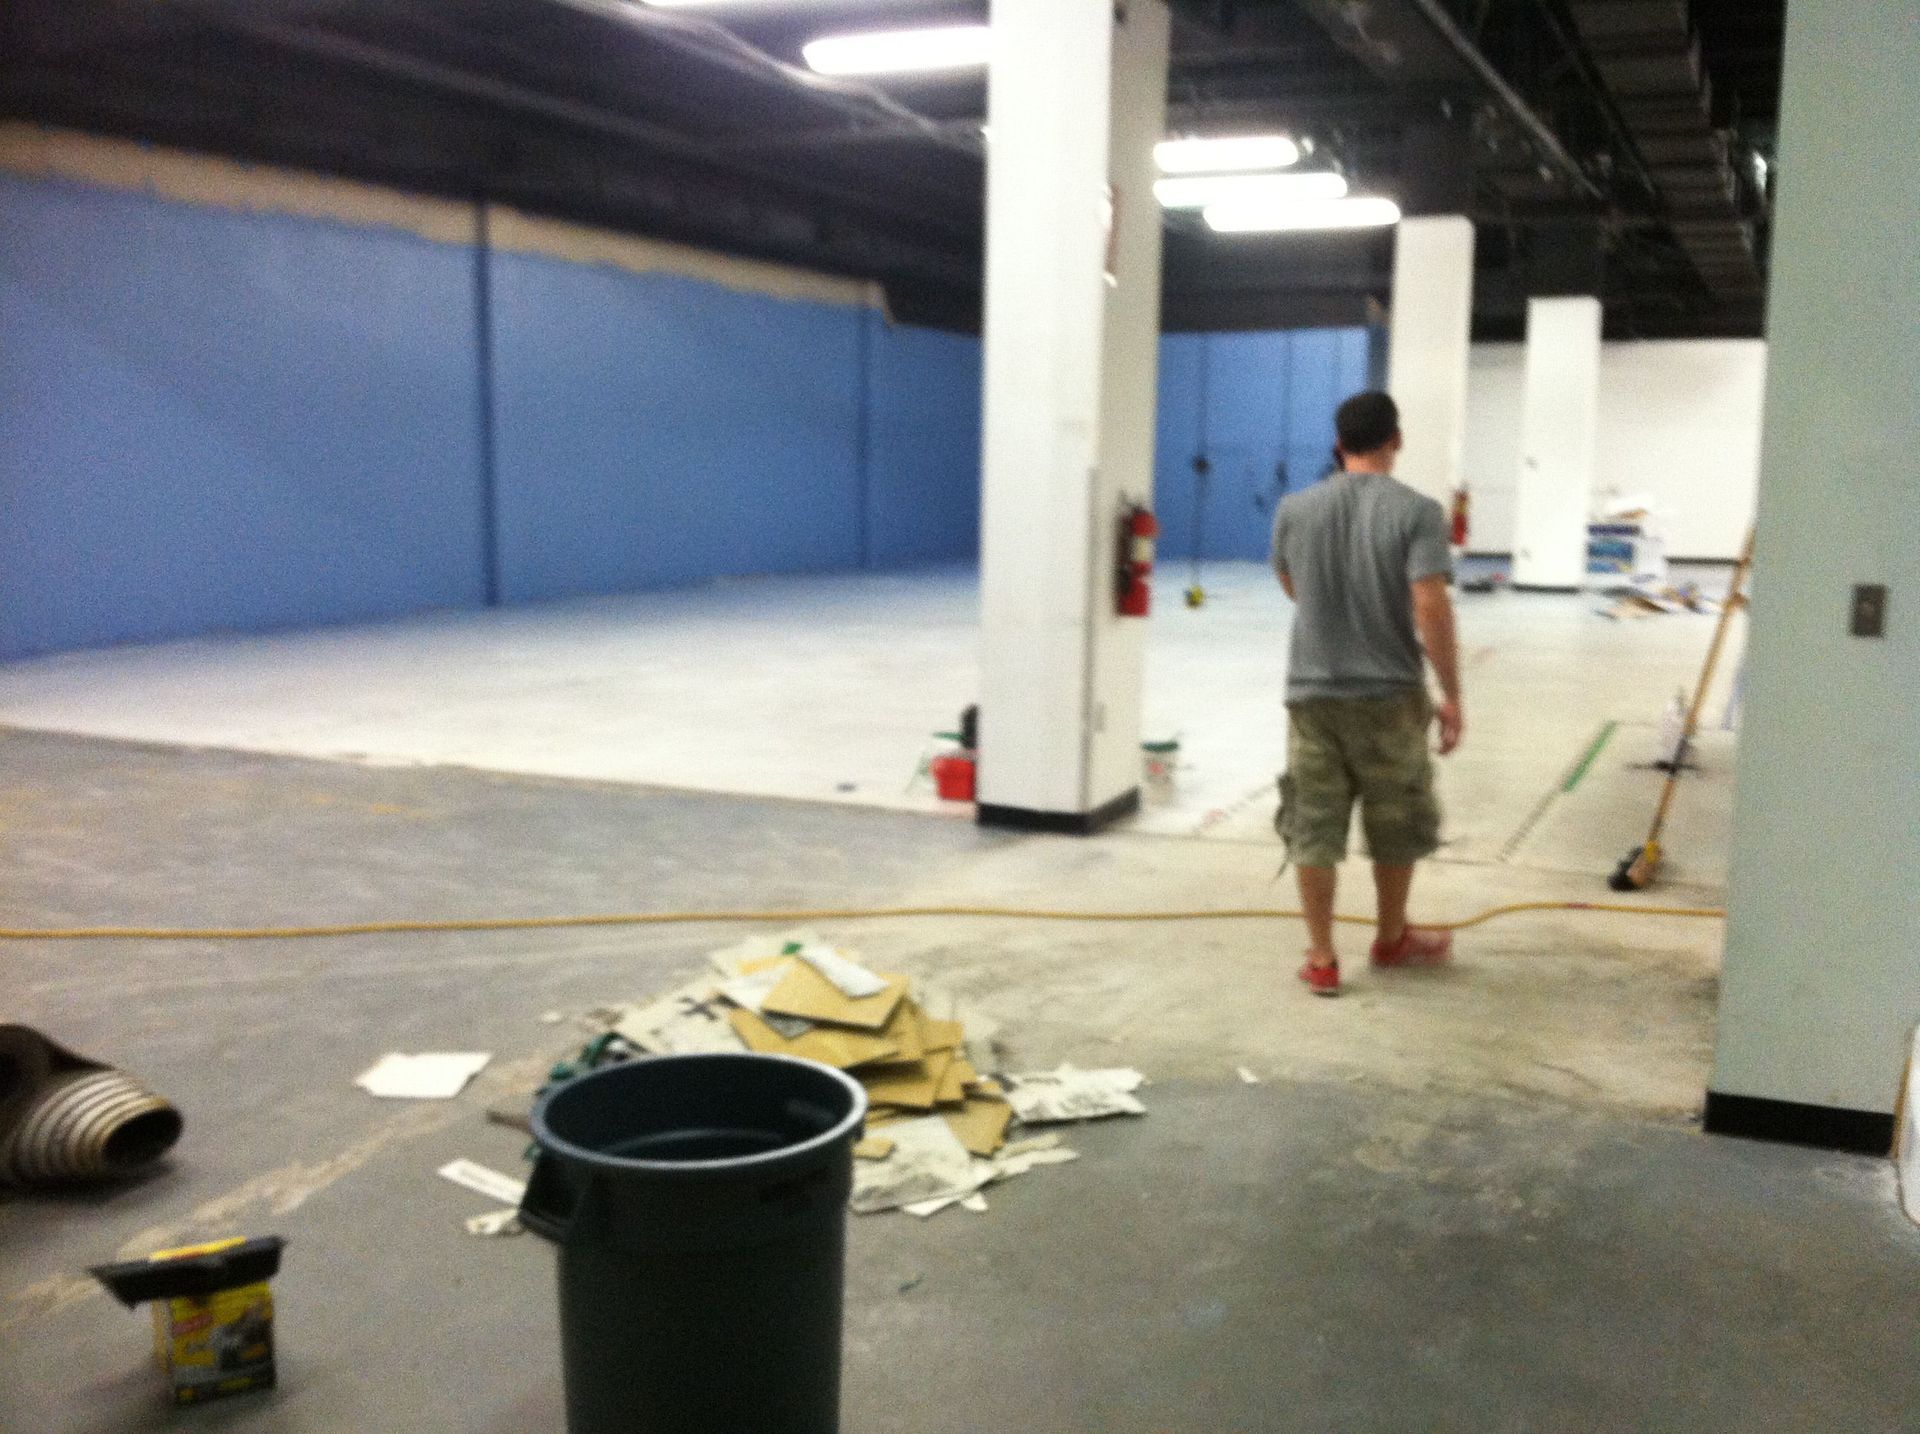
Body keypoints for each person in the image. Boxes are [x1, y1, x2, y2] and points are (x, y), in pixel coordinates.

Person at [1270, 391, 1463, 997]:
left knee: (1313, 823)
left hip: (1312, 695)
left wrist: (1331, 606)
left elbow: (1290, 582)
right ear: (1395, 440)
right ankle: (1390, 938)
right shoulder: (1418, 512)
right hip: (1390, 696)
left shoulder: (1294, 509)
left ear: (1338, 445)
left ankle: (1322, 957)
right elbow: (1430, 606)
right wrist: (1452, 695)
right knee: (1396, 820)